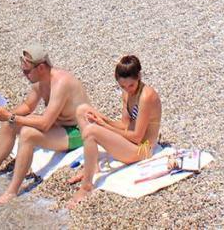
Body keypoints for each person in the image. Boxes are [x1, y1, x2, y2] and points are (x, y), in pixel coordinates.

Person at [0, 46, 91, 207]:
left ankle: (11, 192)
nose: (24, 75)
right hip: (59, 125)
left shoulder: (61, 82)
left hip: (79, 131)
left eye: (27, 71)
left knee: (27, 134)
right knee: (11, 123)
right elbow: (28, 106)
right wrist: (3, 112)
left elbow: (45, 123)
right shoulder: (40, 80)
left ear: (41, 67)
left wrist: (10, 116)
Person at [68, 55, 162, 209]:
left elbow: (138, 137)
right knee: (82, 110)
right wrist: (103, 119)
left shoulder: (147, 96)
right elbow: (124, 124)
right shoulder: (127, 93)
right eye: (122, 87)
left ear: (139, 76)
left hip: (144, 148)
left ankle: (87, 186)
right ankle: (93, 166)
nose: (127, 90)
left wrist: (104, 126)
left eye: (130, 85)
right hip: (129, 141)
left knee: (92, 131)